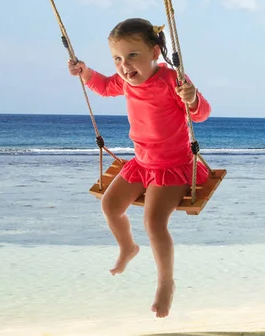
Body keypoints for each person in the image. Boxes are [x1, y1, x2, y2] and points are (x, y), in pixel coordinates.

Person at [67, 17, 211, 318]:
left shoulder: (172, 80)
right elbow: (106, 87)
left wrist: (193, 98)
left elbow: (201, 115)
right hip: (142, 163)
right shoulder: (124, 81)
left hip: (173, 166)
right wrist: (86, 73)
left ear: (155, 53)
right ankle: (128, 248)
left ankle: (165, 283)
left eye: (132, 55)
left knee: (154, 222)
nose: (124, 65)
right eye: (117, 58)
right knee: (109, 205)